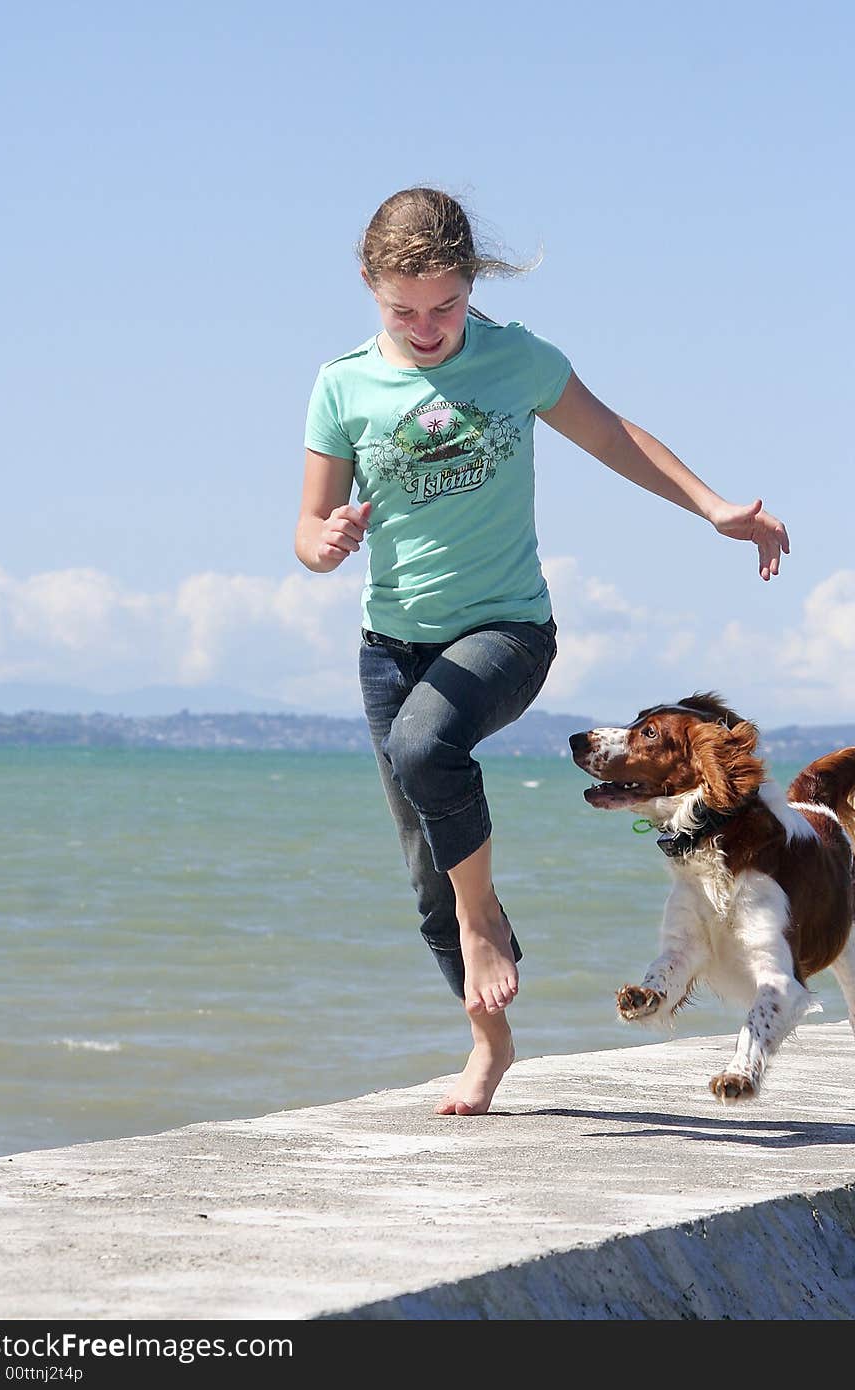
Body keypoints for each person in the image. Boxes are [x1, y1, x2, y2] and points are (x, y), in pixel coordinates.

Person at [295, 186, 789, 1117]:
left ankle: (487, 924)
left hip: (508, 632)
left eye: (445, 304)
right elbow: (307, 523)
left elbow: (613, 436)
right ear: (369, 287)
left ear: (470, 282)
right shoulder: (343, 384)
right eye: (406, 310)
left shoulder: (516, 359)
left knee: (423, 749)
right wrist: (324, 543)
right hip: (390, 647)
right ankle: (491, 1044)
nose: (429, 326)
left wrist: (715, 507)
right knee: (424, 865)